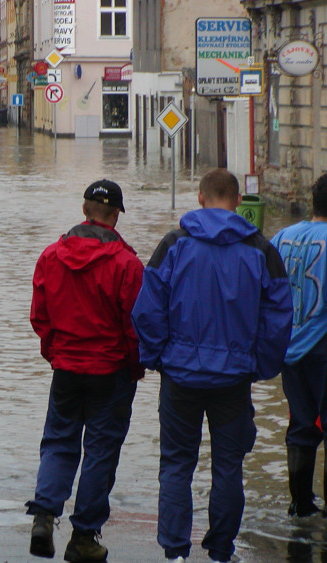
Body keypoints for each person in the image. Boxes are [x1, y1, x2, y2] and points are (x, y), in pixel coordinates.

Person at [131, 168, 293, 563]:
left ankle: (175, 552)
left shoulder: (174, 244)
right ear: (238, 202)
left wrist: (157, 357)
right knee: (228, 467)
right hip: (234, 380)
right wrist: (259, 366)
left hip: (180, 375)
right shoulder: (262, 250)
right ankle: (221, 550)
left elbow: (147, 310)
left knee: (175, 464)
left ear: (200, 198)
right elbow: (279, 319)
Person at [26, 180, 145, 562]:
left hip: (66, 368)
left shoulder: (51, 255)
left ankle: (44, 515)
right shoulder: (127, 264)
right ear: (115, 217)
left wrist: (54, 352)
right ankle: (83, 538)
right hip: (109, 371)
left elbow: (39, 317)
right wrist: (135, 366)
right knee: (100, 450)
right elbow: (135, 325)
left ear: (83, 211)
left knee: (59, 442)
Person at [271, 174, 327, 517]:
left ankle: (300, 505)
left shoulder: (282, 237)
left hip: (290, 349)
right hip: (323, 345)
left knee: (301, 426)